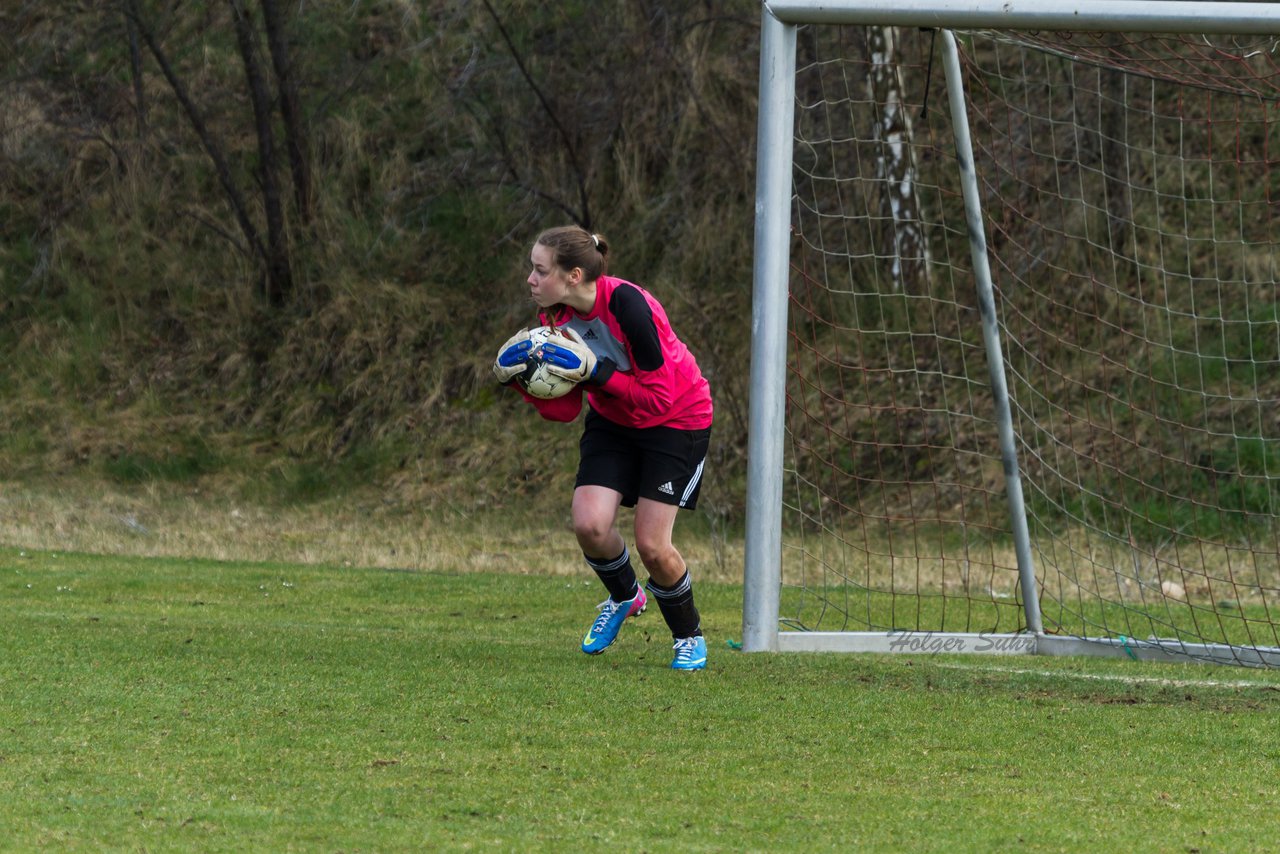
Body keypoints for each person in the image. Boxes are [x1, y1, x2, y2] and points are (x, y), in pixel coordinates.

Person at [492, 225, 714, 671]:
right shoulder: (554, 317)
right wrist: (520, 382)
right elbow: (566, 411)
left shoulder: (628, 306)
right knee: (590, 526)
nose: (530, 280)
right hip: (613, 422)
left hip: (677, 420)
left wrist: (597, 372)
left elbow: (659, 399)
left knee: (653, 546)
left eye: (540, 271)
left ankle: (689, 637)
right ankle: (625, 596)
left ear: (574, 275)